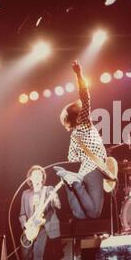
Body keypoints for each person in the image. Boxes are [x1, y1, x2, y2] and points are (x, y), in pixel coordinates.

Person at [54, 60, 106, 220]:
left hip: (83, 172)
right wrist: (79, 74)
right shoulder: (84, 123)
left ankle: (71, 183)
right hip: (93, 168)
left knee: (80, 215)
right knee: (95, 213)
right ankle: (74, 184)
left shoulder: (74, 136)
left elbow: (72, 160)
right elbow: (85, 96)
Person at [19, 165, 61, 260]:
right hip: (29, 229)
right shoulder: (25, 194)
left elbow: (58, 206)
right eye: (34, 175)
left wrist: (55, 198)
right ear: (30, 179)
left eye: (39, 175)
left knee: (38, 259)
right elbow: (22, 214)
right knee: (24, 259)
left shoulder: (48, 190)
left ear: (42, 178)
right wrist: (25, 224)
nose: (37, 177)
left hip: (42, 228)